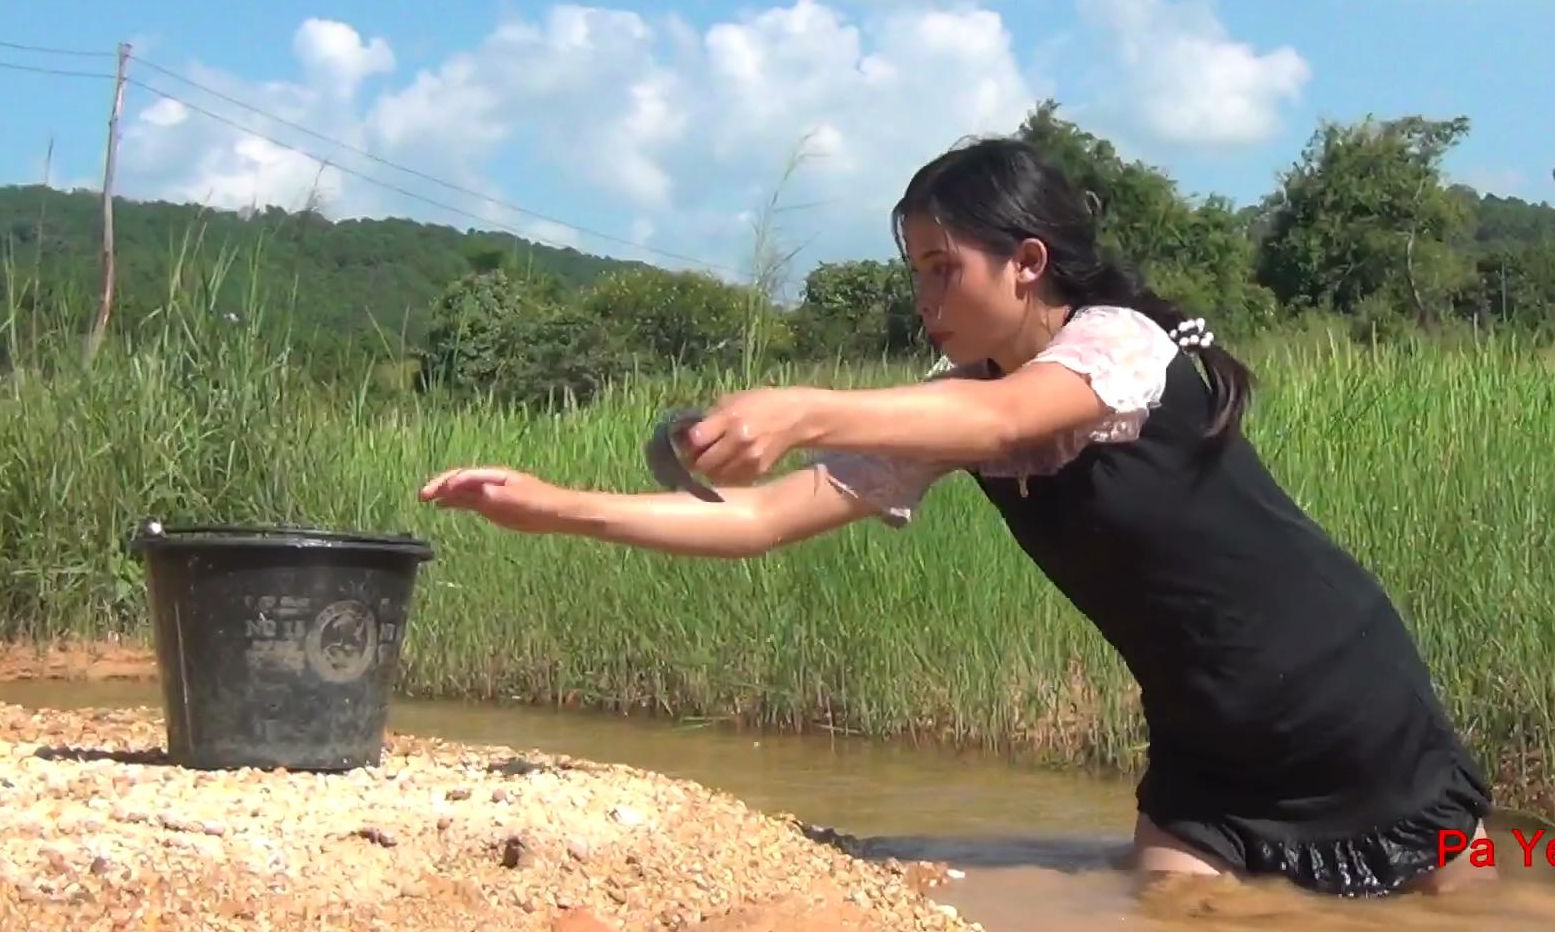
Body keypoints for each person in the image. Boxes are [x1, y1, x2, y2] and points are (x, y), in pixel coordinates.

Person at [419, 136, 1494, 899]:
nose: (924, 295)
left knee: (1476, 898)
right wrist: (558, 509)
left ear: (1028, 265)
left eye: (943, 267)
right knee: (1173, 907)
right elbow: (756, 519)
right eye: (914, 271)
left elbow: (1014, 414)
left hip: (1350, 710)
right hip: (1205, 760)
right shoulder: (944, 403)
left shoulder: (1118, 345)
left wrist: (802, 403)